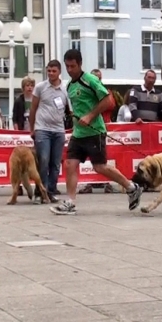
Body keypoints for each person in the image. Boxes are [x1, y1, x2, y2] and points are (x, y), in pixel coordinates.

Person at [49, 49, 143, 215]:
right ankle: (70, 202)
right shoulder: (69, 85)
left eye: (73, 66)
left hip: (95, 131)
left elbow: (108, 100)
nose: (70, 70)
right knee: (70, 164)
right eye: (67, 66)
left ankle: (131, 187)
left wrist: (90, 115)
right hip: (78, 134)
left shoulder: (90, 80)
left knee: (100, 167)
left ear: (80, 64)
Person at [28, 60, 69, 203]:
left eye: (54, 71)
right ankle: (40, 191)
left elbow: (70, 109)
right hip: (42, 129)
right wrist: (32, 128)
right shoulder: (40, 87)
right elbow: (33, 108)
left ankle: (51, 191)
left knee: (56, 163)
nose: (51, 73)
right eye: (49, 71)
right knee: (43, 160)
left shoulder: (65, 88)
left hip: (59, 130)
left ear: (59, 72)